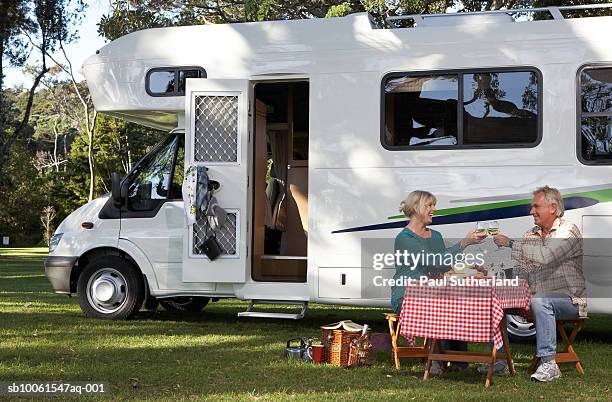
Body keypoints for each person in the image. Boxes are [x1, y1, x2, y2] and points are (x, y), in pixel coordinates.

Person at [493, 186, 586, 382]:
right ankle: (499, 361)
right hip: (535, 298)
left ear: (553, 208)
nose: (531, 211)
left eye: (536, 206)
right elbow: (521, 270)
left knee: (541, 301)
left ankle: (549, 365)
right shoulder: (529, 235)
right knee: (492, 302)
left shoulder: (568, 231)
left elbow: (546, 257)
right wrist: (491, 273)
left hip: (571, 301)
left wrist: (511, 243)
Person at [391, 190, 486, 375]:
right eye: (429, 205)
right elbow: (435, 261)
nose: (434, 209)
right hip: (407, 296)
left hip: (436, 291)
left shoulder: (435, 235)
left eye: (434, 205)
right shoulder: (404, 239)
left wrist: (472, 268)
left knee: (461, 302)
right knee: (439, 305)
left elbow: (445, 266)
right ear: (416, 208)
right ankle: (436, 360)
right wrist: (464, 243)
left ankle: (458, 361)